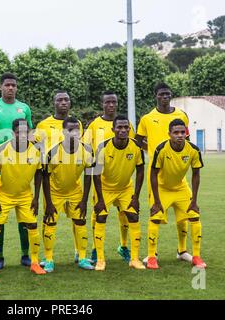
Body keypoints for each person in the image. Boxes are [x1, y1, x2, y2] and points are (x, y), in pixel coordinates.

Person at [0, 72, 33, 270]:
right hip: (0, 165)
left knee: (24, 214)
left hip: (21, 165)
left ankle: (26, 254)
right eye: (7, 85)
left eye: (14, 85)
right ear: (0, 87)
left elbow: (30, 133)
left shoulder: (24, 108)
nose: (11, 88)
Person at [135, 82, 192, 264]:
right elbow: (138, 140)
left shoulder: (181, 115)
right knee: (156, 213)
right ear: (156, 96)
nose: (165, 97)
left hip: (178, 174)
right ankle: (153, 254)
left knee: (184, 216)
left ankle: (182, 250)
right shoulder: (147, 118)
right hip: (156, 174)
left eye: (168, 94)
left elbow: (186, 139)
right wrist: (152, 150)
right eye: (161, 94)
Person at [0, 119, 46, 278]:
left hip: (25, 195)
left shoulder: (35, 150)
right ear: (13, 133)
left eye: (26, 132)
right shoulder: (3, 149)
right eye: (19, 132)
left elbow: (39, 173)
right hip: (4, 195)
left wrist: (36, 198)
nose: (23, 135)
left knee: (32, 226)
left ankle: (34, 263)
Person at [83, 91, 136, 264]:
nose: (111, 105)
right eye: (108, 102)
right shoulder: (94, 125)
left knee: (125, 215)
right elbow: (86, 148)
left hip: (123, 181)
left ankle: (124, 246)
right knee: (97, 215)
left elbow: (132, 149)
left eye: (114, 102)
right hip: (102, 181)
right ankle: (94, 249)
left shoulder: (126, 125)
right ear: (102, 104)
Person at [146, 118, 206, 270]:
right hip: (162, 188)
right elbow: (153, 174)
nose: (180, 135)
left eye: (182, 132)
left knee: (193, 216)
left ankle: (191, 254)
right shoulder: (161, 149)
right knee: (155, 217)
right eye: (176, 132)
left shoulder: (193, 149)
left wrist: (194, 200)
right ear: (169, 134)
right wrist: (157, 201)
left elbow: (196, 174)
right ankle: (152, 256)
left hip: (181, 188)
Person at [34, 90, 85, 262]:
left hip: (73, 180)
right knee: (49, 218)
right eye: (59, 100)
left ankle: (80, 252)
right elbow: (38, 150)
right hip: (52, 179)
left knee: (77, 219)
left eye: (66, 100)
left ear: (70, 103)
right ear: (54, 103)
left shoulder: (76, 123)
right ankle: (48, 258)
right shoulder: (43, 125)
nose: (63, 102)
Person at [91, 115, 145, 271]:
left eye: (125, 127)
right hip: (105, 188)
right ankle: (100, 260)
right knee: (101, 217)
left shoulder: (136, 147)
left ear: (129, 129)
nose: (123, 130)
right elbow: (95, 173)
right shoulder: (103, 147)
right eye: (119, 127)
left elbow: (140, 170)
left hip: (125, 189)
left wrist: (135, 196)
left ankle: (134, 259)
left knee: (133, 216)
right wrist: (100, 199)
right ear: (113, 129)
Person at [41, 117, 95, 272]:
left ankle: (83, 257)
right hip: (54, 192)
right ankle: (49, 258)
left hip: (75, 191)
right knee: (50, 223)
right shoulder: (53, 152)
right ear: (63, 132)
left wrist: (84, 199)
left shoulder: (87, 150)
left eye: (77, 130)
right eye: (70, 130)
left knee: (80, 222)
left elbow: (88, 175)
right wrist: (49, 203)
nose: (74, 133)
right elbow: (45, 178)